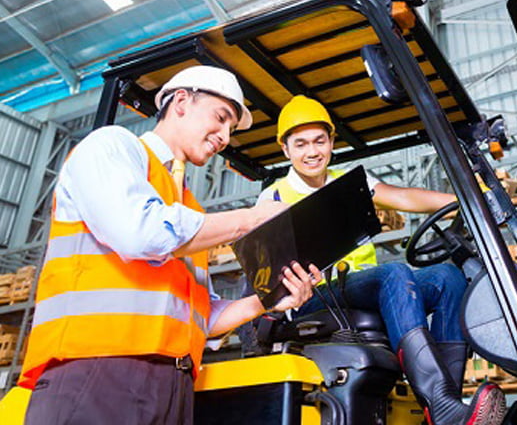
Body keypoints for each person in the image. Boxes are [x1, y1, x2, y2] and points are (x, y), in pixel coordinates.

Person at [19, 67, 321, 425]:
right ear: (180, 101)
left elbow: (201, 317)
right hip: (98, 373)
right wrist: (252, 218)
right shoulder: (112, 147)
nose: (225, 137)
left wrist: (268, 300)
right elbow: (139, 234)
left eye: (230, 129)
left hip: (173, 384)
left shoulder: (190, 211)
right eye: (221, 118)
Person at [253, 95, 507, 425]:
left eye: (319, 141)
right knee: (395, 274)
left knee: (447, 277)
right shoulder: (272, 197)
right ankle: (439, 403)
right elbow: (266, 271)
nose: (312, 151)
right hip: (312, 296)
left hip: (361, 286)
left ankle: (446, 405)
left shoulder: (348, 182)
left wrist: (470, 201)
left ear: (331, 141)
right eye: (300, 144)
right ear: (286, 149)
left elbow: (401, 196)